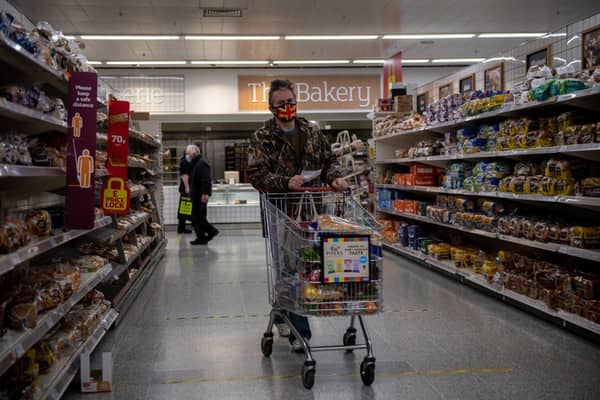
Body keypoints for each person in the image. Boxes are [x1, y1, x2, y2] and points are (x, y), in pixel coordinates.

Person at [248, 79, 348, 352]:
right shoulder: (262, 138)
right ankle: (300, 333)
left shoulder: (312, 132)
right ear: (271, 108)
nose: (287, 108)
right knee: (288, 270)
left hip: (312, 211)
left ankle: (282, 313)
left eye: (291, 102)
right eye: (281, 104)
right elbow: (256, 174)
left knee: (305, 268)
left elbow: (329, 163)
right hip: (281, 210)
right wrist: (284, 182)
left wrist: (336, 178)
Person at [190, 147, 219, 245]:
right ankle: (201, 238)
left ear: (194, 153)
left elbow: (206, 180)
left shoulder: (202, 163)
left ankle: (212, 230)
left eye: (188, 153)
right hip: (196, 195)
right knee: (197, 218)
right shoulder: (196, 163)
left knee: (198, 217)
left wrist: (205, 194)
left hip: (200, 196)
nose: (187, 156)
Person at [177, 146, 195, 234]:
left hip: (187, 188)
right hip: (185, 189)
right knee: (184, 208)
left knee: (186, 208)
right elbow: (184, 176)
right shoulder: (184, 162)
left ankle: (183, 227)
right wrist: (187, 187)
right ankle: (181, 228)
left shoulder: (188, 161)